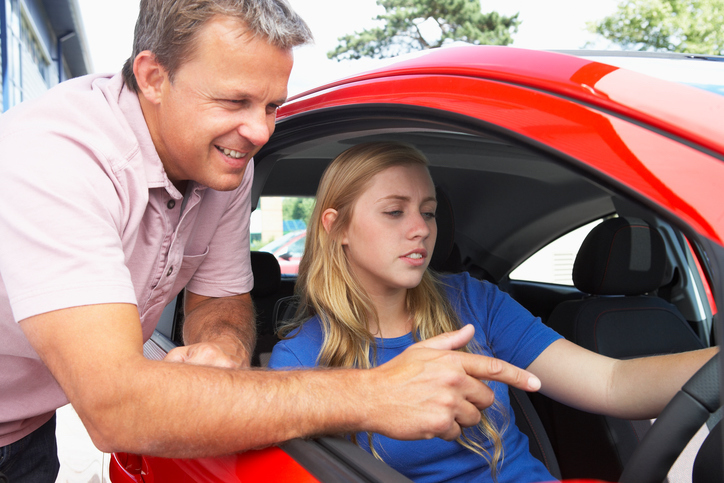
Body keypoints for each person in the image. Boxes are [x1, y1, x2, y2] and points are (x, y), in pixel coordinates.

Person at [0, 2, 541, 481]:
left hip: (27, 426)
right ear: (153, 77)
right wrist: (375, 393)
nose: (260, 132)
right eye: (235, 100)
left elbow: (220, 297)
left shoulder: (221, 162)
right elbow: (117, 409)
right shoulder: (55, 161)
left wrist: (225, 349)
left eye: (271, 105)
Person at [268, 141, 718, 483]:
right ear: (337, 227)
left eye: (428, 212)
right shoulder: (302, 358)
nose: (420, 229)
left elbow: (612, 383)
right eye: (394, 212)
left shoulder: (471, 300)